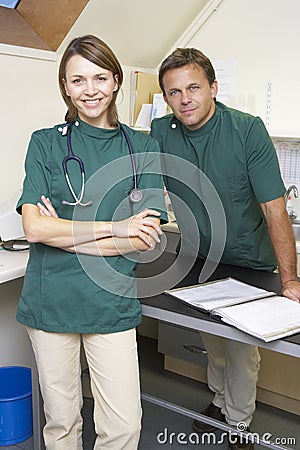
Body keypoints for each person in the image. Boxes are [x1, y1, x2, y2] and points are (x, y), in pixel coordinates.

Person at [16, 35, 167, 450]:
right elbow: (34, 230)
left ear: (116, 80)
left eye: (100, 77)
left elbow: (146, 239)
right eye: (77, 80)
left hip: (111, 304)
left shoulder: (143, 147)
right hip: (52, 304)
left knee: (123, 427)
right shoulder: (45, 142)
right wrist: (117, 228)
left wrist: (63, 231)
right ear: (65, 86)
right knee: (62, 425)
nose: (90, 90)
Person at [151, 47, 300, 450]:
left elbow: (274, 209)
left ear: (213, 88)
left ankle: (239, 425)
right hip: (200, 260)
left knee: (241, 350)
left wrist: (289, 280)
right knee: (211, 340)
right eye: (174, 91)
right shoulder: (162, 132)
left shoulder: (246, 130)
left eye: (194, 88)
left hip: (249, 262)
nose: (185, 99)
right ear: (165, 98)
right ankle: (219, 403)